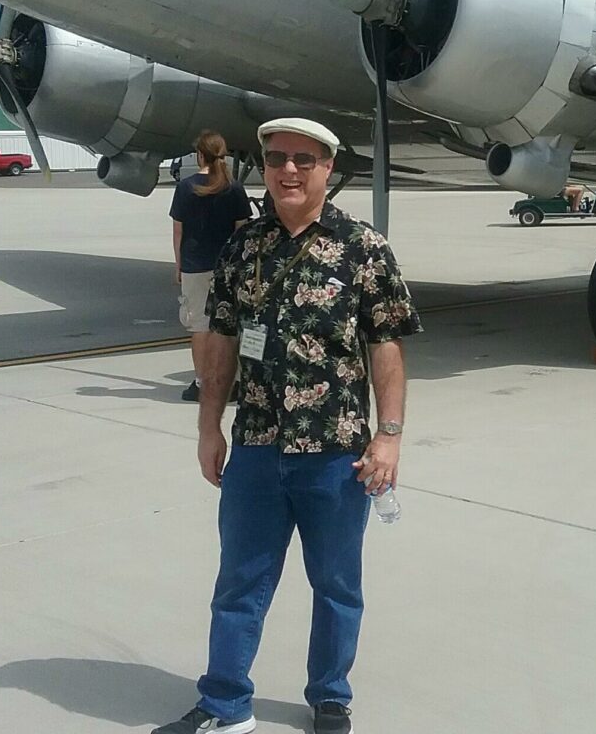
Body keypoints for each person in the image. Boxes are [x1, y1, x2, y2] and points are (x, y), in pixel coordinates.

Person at [153, 118, 422, 734]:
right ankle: (225, 705)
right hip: (255, 446)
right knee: (239, 583)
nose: (289, 170)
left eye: (304, 159)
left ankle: (330, 694)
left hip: (336, 453)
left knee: (336, 585)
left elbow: (386, 348)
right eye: (277, 159)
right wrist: (207, 428)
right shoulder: (243, 247)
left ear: (329, 168)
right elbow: (219, 342)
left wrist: (389, 435)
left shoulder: (363, 247)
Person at [170, 132, 251, 402]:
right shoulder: (235, 188)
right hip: (228, 266)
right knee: (230, 325)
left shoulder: (185, 188)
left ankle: (202, 382)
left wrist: (179, 266)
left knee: (200, 327)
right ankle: (234, 381)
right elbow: (242, 232)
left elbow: (178, 232)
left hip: (195, 265)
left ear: (199, 155)